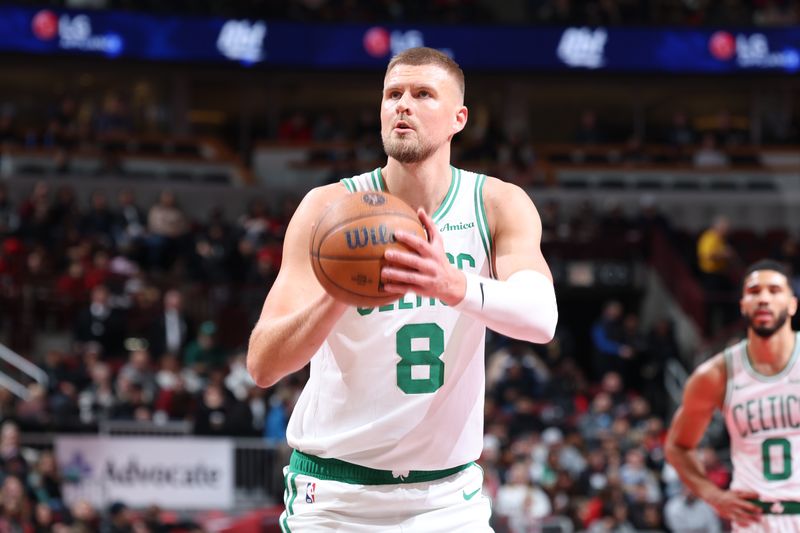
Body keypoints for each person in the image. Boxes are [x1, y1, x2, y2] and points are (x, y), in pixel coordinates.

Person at [246, 47, 558, 532]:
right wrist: (338, 292)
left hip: (447, 499)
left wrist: (453, 284)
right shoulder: (327, 208)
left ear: (459, 118)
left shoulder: (496, 203)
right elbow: (263, 365)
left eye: (422, 94)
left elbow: (542, 320)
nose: (403, 105)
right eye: (393, 94)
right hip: (334, 497)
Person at [665, 259, 800, 531]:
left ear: (792, 303)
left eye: (774, 291)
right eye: (754, 292)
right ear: (742, 305)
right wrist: (713, 495)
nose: (763, 299)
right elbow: (677, 446)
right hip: (754, 518)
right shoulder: (716, 374)